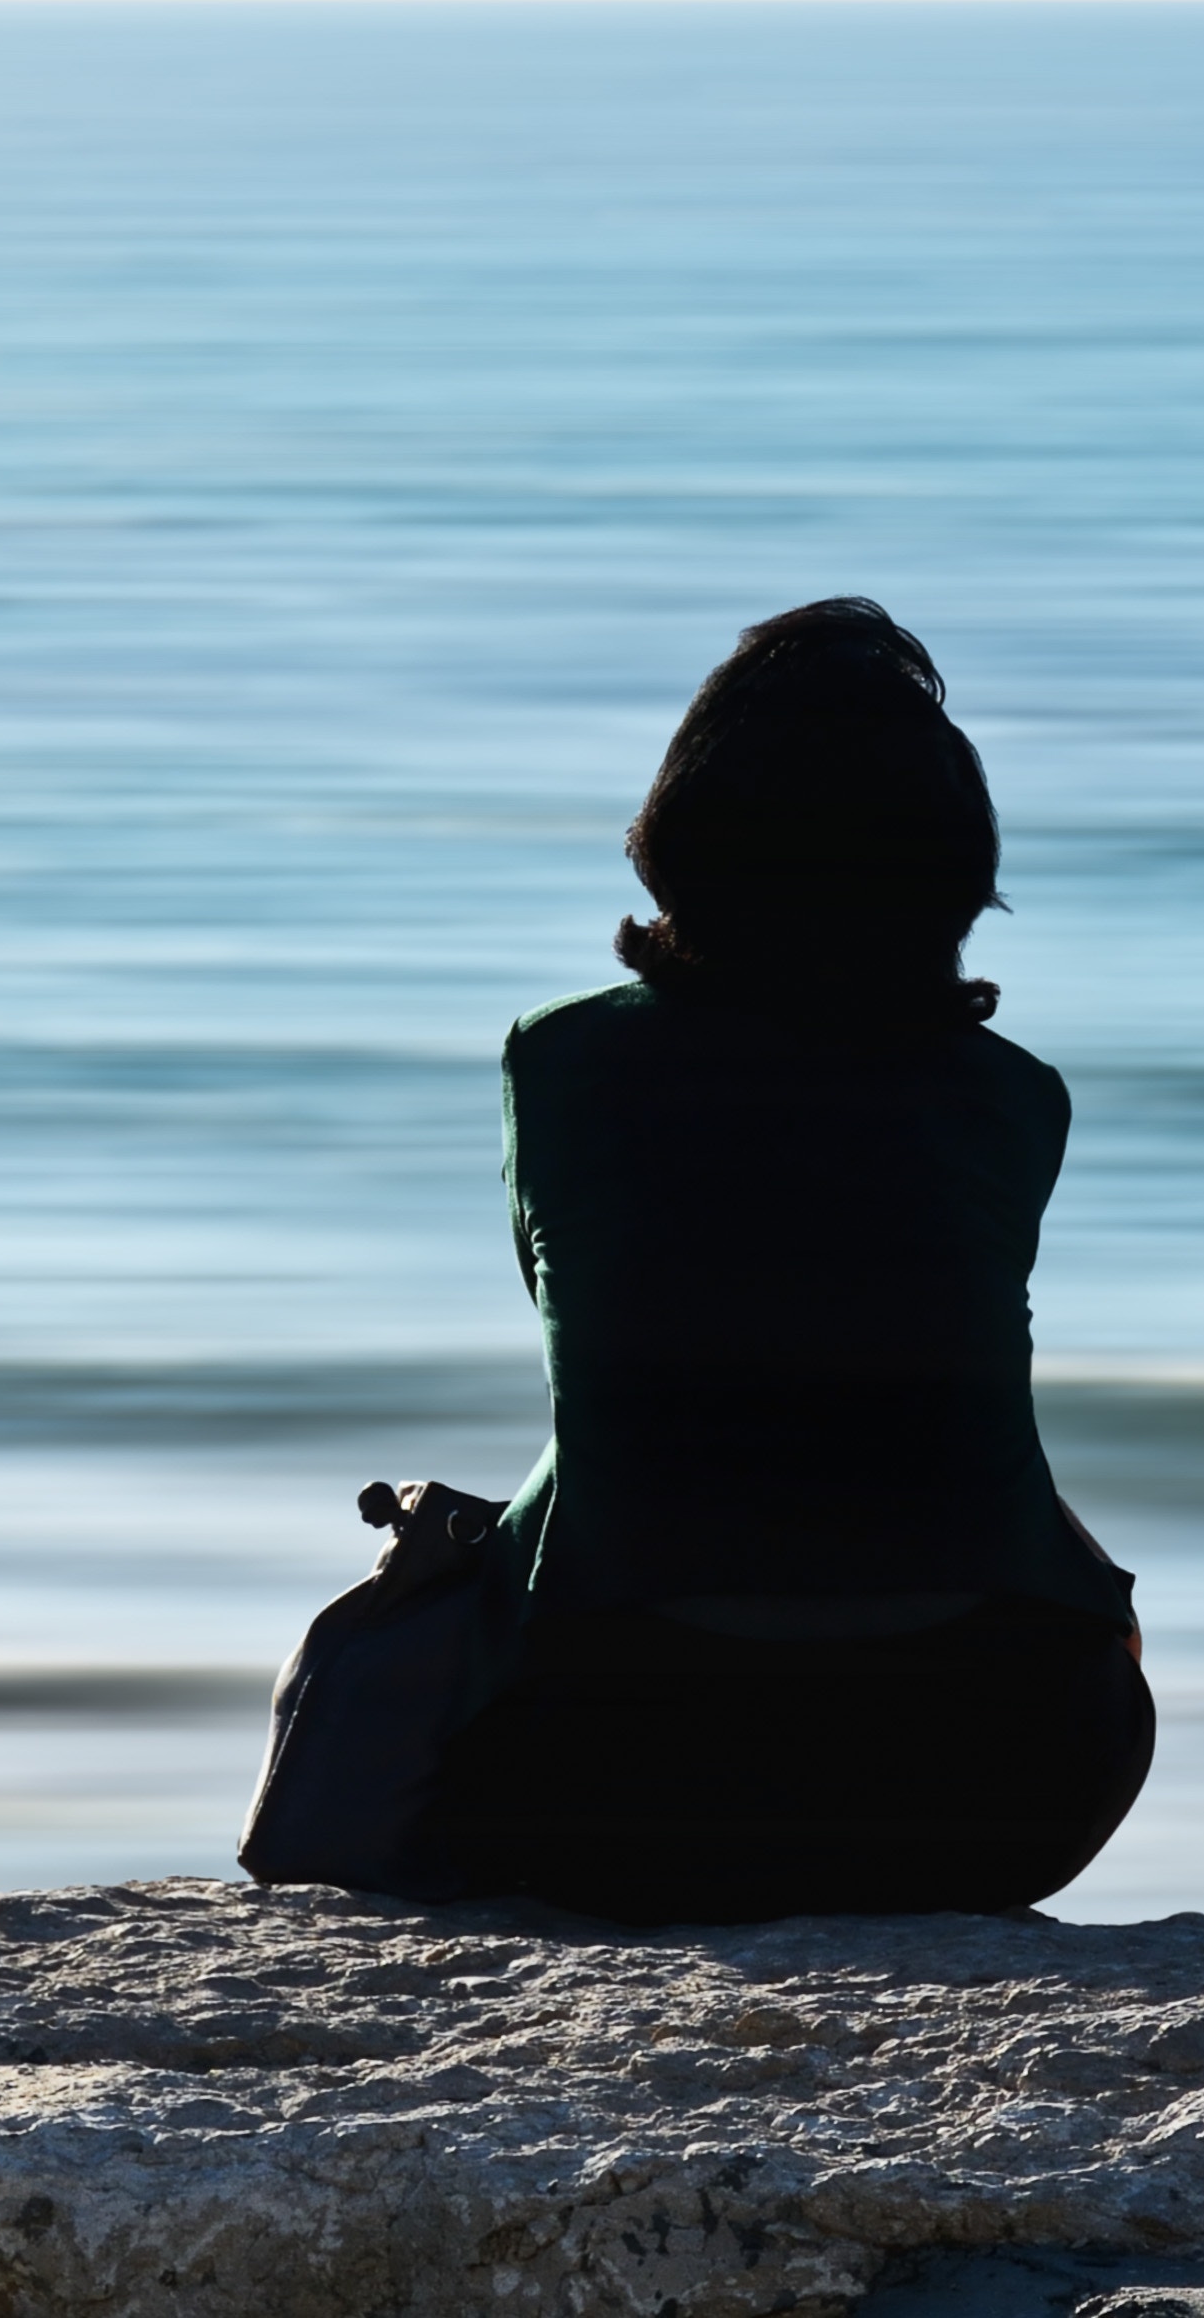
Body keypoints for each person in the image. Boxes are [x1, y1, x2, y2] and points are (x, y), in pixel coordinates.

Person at [403, 599, 1151, 1919]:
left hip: (616, 1792)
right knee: (1082, 1593)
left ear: (677, 844)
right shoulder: (1012, 1097)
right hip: (1005, 1789)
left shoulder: (564, 1062)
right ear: (954, 873)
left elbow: (614, 1367)